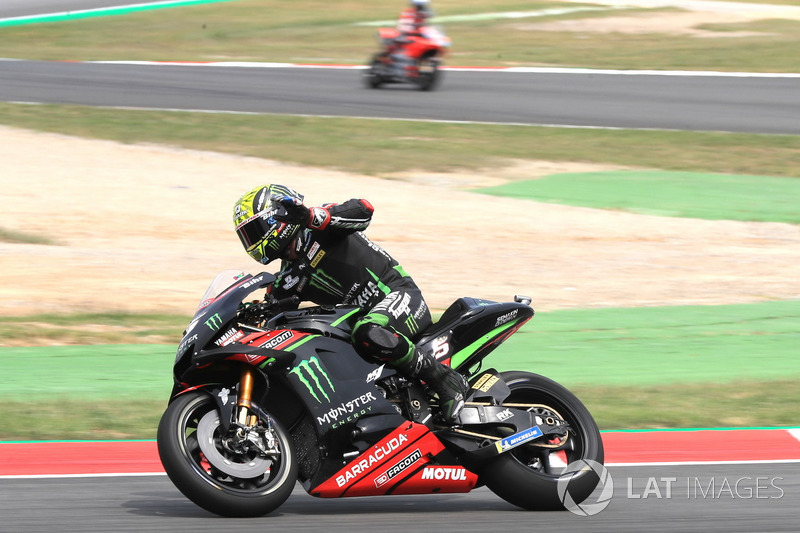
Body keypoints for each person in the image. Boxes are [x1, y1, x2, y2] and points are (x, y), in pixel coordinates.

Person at [232, 184, 469, 423]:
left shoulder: (320, 225)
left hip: (399, 296)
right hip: (362, 328)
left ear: (275, 218)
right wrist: (240, 314)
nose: (252, 241)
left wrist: (310, 216)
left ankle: (446, 380)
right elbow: (272, 315)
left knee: (368, 331)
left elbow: (363, 210)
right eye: (247, 236)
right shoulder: (287, 279)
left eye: (254, 231)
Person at [389, 0, 433, 78]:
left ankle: (424, 72)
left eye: (423, 6)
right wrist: (409, 30)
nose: (422, 8)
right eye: (420, 6)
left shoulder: (425, 14)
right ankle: (397, 67)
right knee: (400, 49)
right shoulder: (408, 13)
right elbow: (404, 25)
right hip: (405, 34)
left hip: (418, 36)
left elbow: (427, 26)